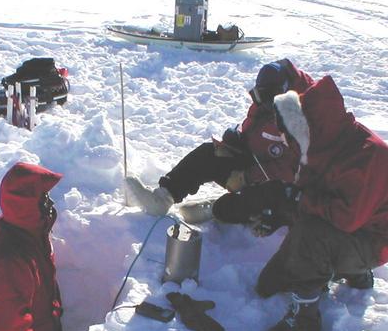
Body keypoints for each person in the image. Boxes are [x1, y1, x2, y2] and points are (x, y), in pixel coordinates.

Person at [234, 75, 388, 331]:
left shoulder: (372, 157)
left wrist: (299, 202)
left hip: (372, 239)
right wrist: (280, 213)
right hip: (341, 229)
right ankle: (347, 270)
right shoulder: (318, 145)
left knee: (312, 234)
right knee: (269, 284)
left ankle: (304, 321)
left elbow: (345, 219)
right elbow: (307, 195)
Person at [125, 59, 314, 223]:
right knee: (208, 153)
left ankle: (215, 208)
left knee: (233, 208)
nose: (262, 103)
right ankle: (163, 197)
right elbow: (256, 128)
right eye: (258, 96)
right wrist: (237, 141)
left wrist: (247, 177)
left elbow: (295, 169)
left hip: (281, 188)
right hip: (256, 163)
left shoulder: (304, 115)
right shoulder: (267, 100)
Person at [0, 162, 64, 331]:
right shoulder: (8, 258)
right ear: (25, 203)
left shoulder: (28, 232)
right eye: (43, 197)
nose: (50, 203)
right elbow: (12, 327)